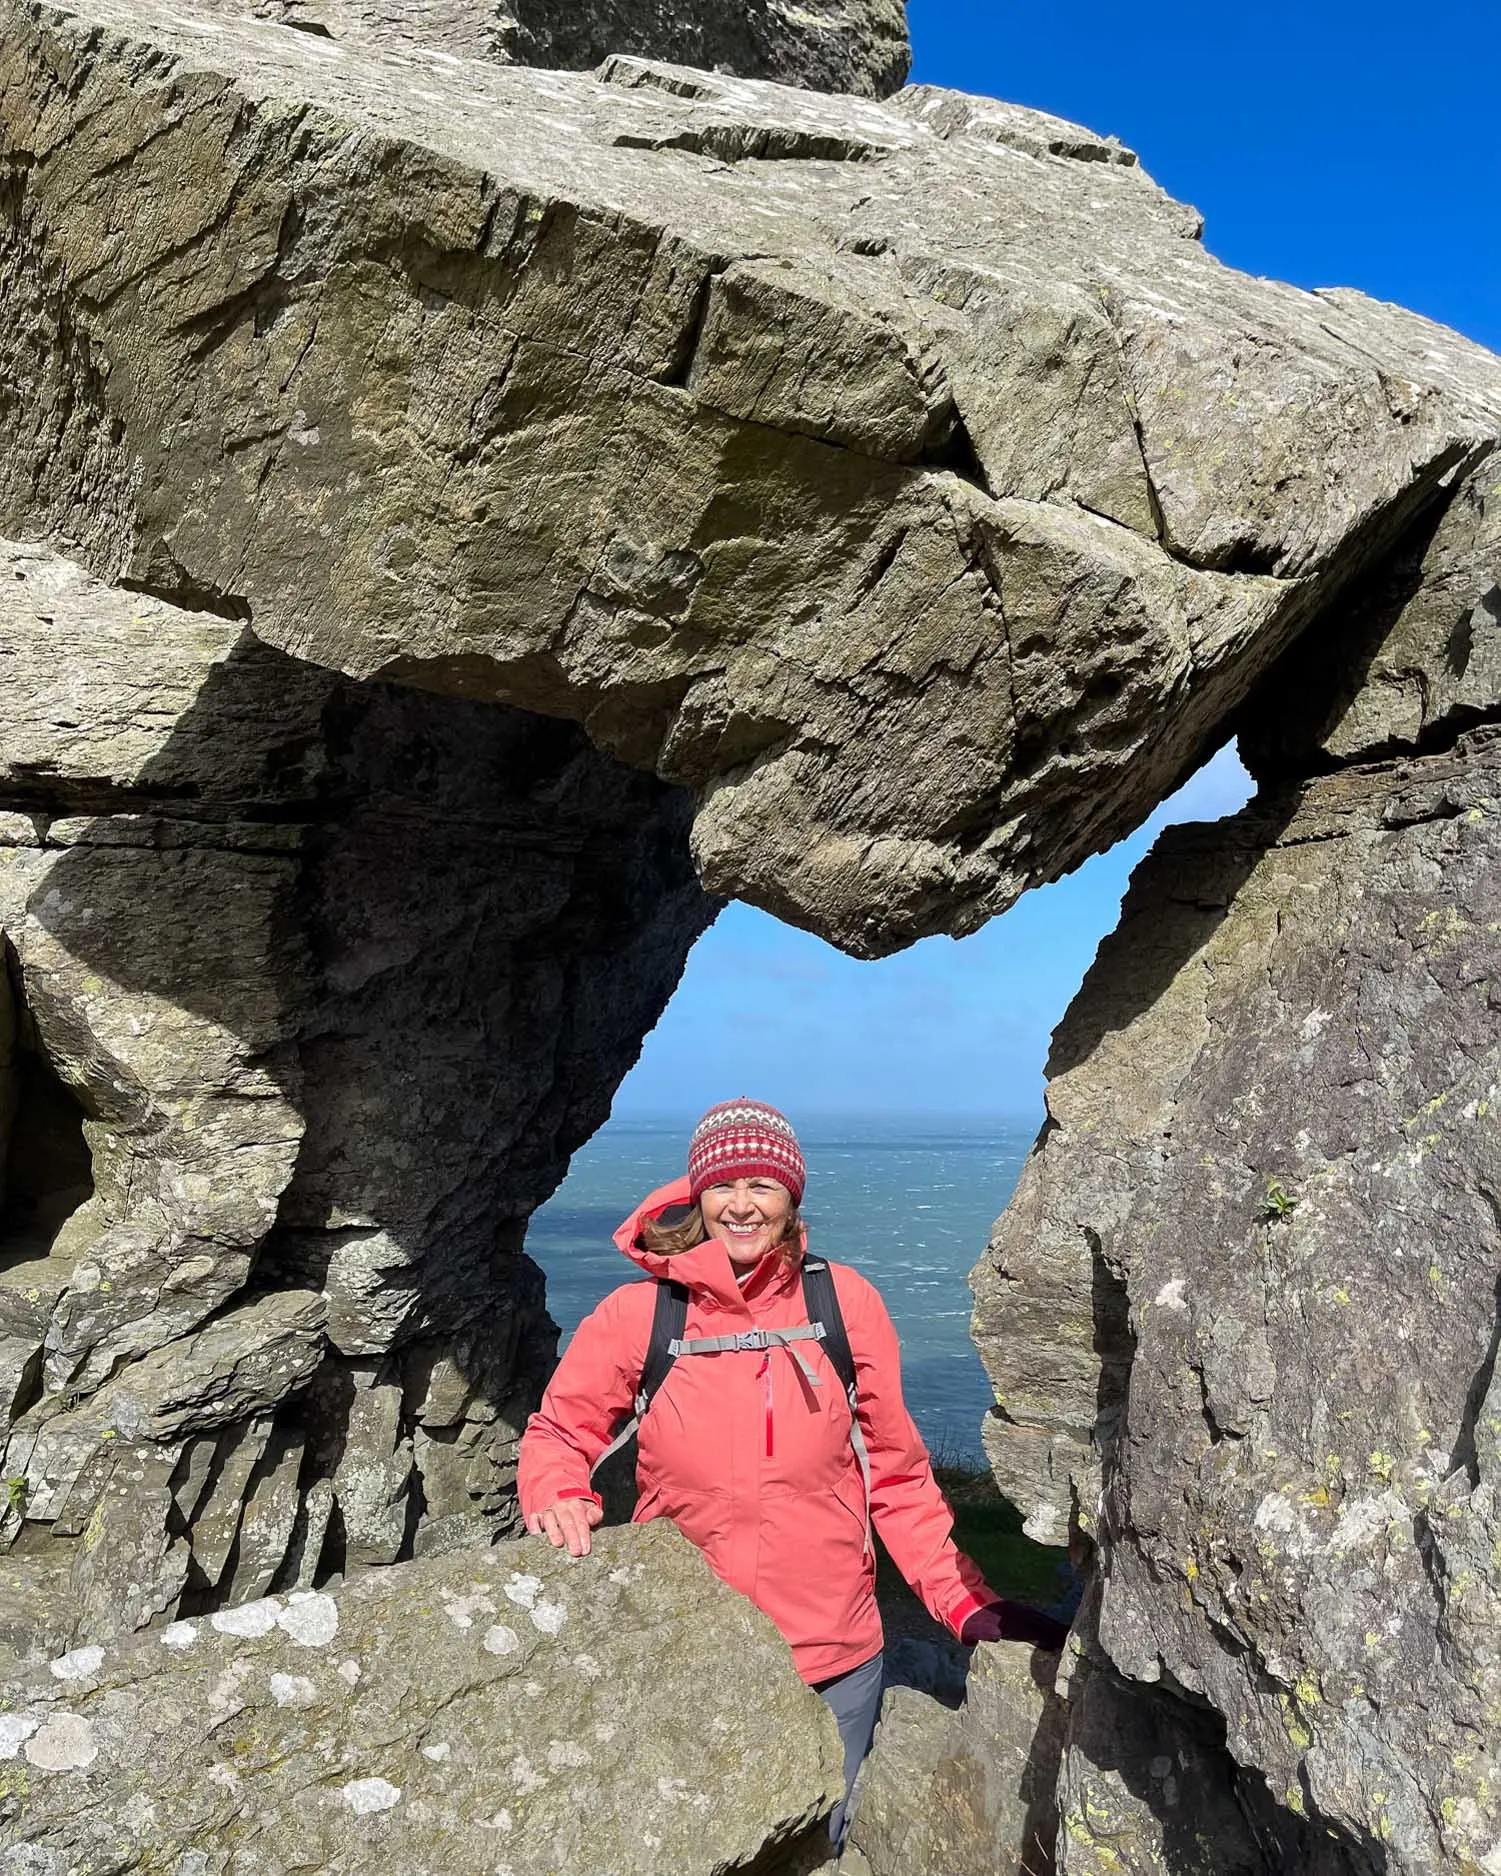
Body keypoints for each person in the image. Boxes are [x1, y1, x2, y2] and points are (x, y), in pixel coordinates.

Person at [519, 1098, 1067, 1850]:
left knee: (821, 1843)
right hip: (685, 1642)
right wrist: (557, 1491)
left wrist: (963, 1602)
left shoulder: (842, 1304)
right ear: (697, 1195)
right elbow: (561, 1430)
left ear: (791, 1198)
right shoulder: (640, 1313)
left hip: (833, 1651)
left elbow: (898, 1478)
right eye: (723, 1185)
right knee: (686, 1843)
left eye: (762, 1186)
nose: (740, 1205)